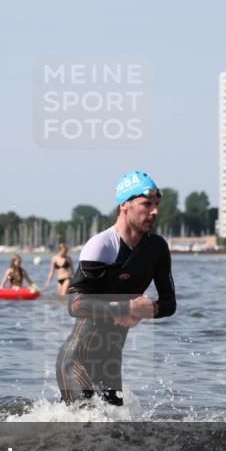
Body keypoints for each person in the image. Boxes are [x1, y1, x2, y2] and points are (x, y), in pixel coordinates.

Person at [56, 171, 176, 406]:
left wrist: (146, 310)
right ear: (125, 205)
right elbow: (75, 304)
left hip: (110, 364)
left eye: (156, 204)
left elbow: (169, 304)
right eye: (147, 204)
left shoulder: (157, 248)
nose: (155, 211)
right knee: (86, 432)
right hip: (76, 362)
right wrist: (127, 307)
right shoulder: (102, 245)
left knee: (117, 436)